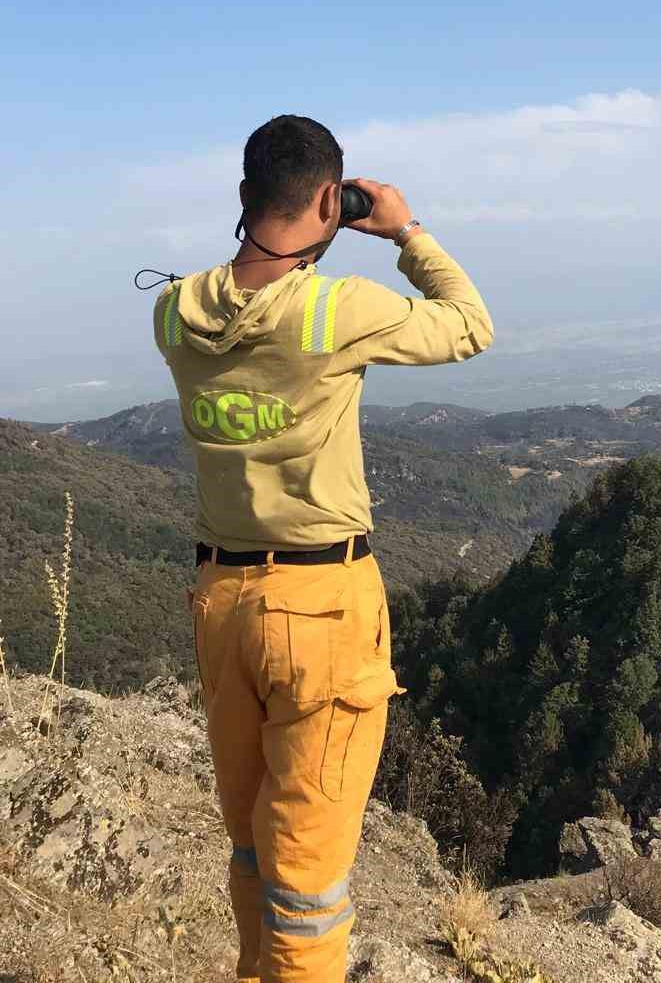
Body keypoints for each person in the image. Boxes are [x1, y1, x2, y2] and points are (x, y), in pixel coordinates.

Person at [153, 114, 494, 983]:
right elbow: (468, 325)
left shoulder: (172, 313)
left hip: (219, 605)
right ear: (328, 201)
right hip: (320, 612)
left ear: (243, 198)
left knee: (253, 853)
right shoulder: (336, 312)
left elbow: (232, 295)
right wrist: (405, 231)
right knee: (308, 883)